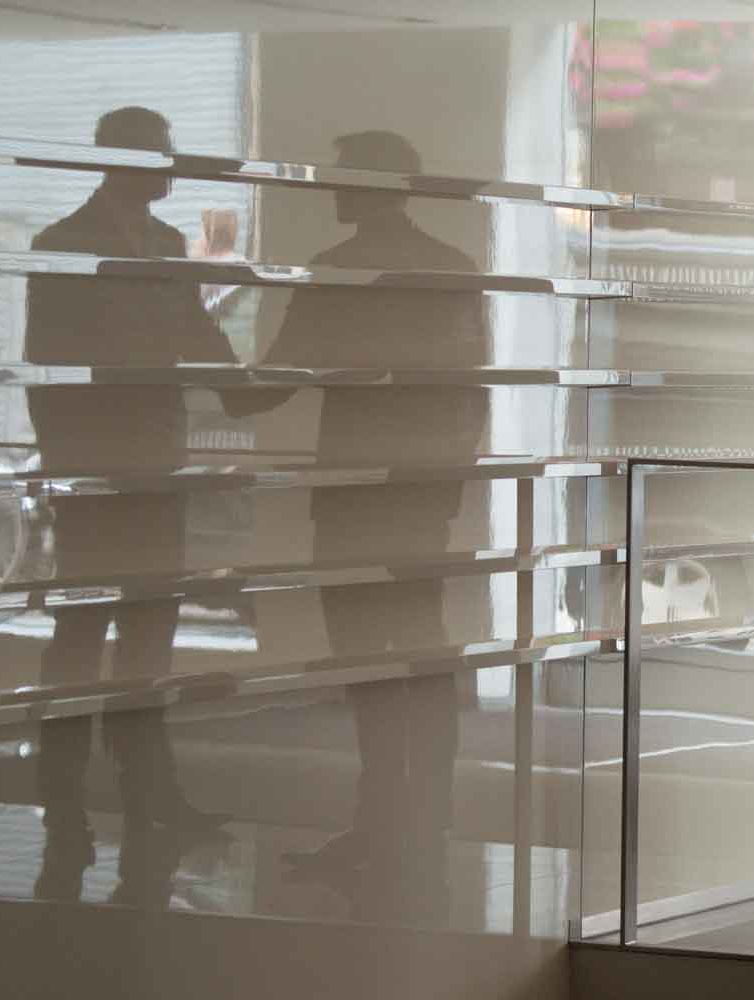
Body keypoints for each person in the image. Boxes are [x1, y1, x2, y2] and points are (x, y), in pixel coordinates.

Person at [220, 131, 484, 895]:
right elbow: (470, 387)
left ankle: (382, 827)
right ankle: (417, 826)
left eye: (340, 177)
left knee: (368, 663)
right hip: (417, 493)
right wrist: (446, 485)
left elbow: (270, 382)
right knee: (422, 657)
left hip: (358, 495)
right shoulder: (453, 269)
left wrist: (203, 342)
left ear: (371, 186)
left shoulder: (339, 270)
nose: (330, 189)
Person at [25, 107, 236, 900]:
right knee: (81, 637)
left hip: (157, 463)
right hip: (100, 469)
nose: (175, 166)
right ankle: (64, 807)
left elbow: (191, 336)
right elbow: (46, 361)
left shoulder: (166, 243)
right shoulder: (64, 244)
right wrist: (68, 474)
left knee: (149, 631)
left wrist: (245, 376)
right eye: (165, 153)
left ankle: (149, 795)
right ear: (127, 160)